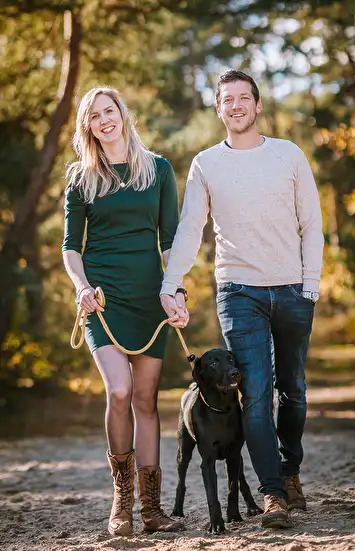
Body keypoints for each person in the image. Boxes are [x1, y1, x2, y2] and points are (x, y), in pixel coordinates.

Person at [160, 69, 324, 530]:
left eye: (243, 98)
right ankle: (273, 494)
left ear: (256, 105)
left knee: (293, 390)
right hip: (238, 291)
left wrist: (310, 284)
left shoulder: (289, 155)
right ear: (218, 108)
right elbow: (191, 228)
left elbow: (311, 224)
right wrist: (170, 283)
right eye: (227, 99)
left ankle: (290, 472)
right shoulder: (206, 164)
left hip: (292, 288)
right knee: (254, 395)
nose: (236, 105)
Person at [61, 86, 187, 536]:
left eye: (108, 111)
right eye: (94, 115)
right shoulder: (81, 178)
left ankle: (151, 510)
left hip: (149, 300)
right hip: (103, 300)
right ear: (88, 126)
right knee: (119, 391)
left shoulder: (158, 170)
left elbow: (170, 240)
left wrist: (176, 293)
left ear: (122, 114)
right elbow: (71, 248)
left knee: (145, 399)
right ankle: (122, 502)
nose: (103, 120)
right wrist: (80, 288)